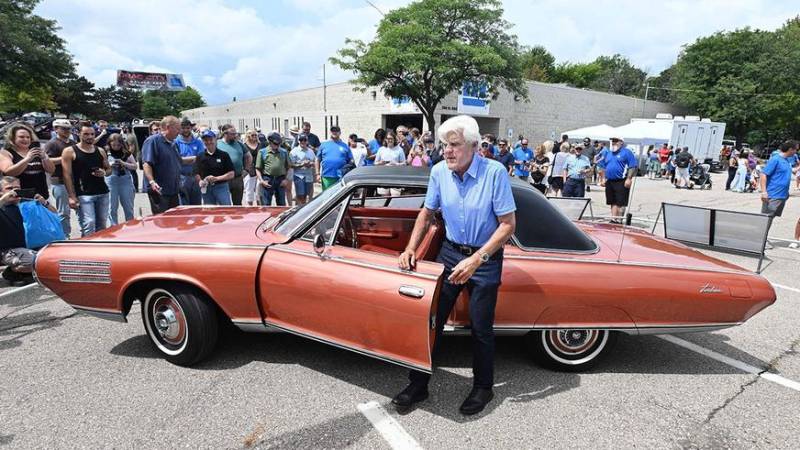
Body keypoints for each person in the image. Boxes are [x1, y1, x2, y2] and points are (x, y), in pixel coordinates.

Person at [394, 115, 516, 416]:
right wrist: (410, 248)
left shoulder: (494, 172)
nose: (447, 150)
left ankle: (483, 388)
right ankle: (418, 385)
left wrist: (477, 260)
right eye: (444, 145)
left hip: (484, 258)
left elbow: (507, 225)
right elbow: (426, 212)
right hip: (450, 254)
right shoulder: (438, 171)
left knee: (481, 327)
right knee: (429, 320)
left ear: (474, 146)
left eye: (454, 145)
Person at [0, 176, 57, 284]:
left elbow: (54, 214)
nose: (14, 191)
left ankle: (23, 272)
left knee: (51, 258)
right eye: (9, 188)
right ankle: (13, 272)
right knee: (38, 262)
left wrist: (44, 203)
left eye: (17, 188)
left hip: (30, 245)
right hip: (8, 250)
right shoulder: (2, 207)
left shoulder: (25, 204)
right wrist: (4, 199)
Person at [61, 123, 111, 236]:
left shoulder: (100, 150)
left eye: (92, 134)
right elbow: (67, 175)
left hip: (102, 192)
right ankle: (86, 250)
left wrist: (104, 172)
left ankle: (99, 250)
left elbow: (109, 170)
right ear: (78, 134)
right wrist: (71, 196)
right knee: (89, 223)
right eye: (86, 134)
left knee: (102, 224)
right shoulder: (69, 151)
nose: (90, 137)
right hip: (83, 193)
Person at [0, 123, 55, 200]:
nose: (25, 139)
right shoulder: (6, 152)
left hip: (41, 195)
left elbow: (51, 170)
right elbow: (8, 172)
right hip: (18, 198)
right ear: (13, 138)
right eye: (21, 137)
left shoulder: (36, 150)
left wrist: (45, 158)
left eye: (28, 137)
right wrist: (27, 159)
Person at [761, 141, 799, 249]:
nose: (796, 151)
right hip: (772, 194)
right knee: (766, 218)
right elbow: (764, 174)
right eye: (795, 149)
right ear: (790, 149)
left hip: (782, 195)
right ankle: (761, 241)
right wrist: (764, 192)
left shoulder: (786, 161)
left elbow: (790, 172)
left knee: (771, 218)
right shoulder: (776, 159)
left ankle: (763, 239)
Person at [142, 116, 182, 214]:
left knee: (174, 220)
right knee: (162, 221)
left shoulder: (174, 143)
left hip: (173, 191)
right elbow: (147, 164)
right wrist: (152, 181)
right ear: (168, 127)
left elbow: (177, 162)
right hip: (159, 191)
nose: (179, 131)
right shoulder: (153, 141)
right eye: (177, 128)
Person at [45, 119, 76, 236]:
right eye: (63, 128)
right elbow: (47, 161)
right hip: (59, 181)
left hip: (74, 181)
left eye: (69, 129)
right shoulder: (52, 144)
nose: (67, 131)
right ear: (56, 129)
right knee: (63, 212)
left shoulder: (73, 143)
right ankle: (64, 236)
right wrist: (65, 158)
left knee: (79, 208)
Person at [598, 137, 638, 222]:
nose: (614, 143)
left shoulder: (626, 152)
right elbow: (603, 167)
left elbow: (632, 166)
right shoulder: (608, 153)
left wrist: (629, 178)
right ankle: (613, 219)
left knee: (621, 202)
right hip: (610, 181)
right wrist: (603, 179)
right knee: (612, 201)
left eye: (616, 141)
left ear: (621, 142)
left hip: (621, 180)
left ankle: (619, 220)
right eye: (613, 141)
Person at [194, 130, 235, 205]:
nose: (208, 142)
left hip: (221, 187)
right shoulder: (200, 156)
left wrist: (216, 178)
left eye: (210, 139)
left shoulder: (223, 155)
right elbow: (196, 172)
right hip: (206, 188)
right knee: (210, 211)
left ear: (215, 139)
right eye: (206, 140)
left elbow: (231, 174)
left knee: (226, 210)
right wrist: (200, 181)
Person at [104, 133, 137, 225]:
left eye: (118, 145)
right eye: (113, 145)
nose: (116, 147)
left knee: (128, 207)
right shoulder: (105, 152)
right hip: (111, 180)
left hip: (125, 180)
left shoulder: (126, 153)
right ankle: (113, 227)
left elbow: (135, 166)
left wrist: (124, 163)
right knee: (111, 207)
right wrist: (109, 165)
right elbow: (100, 166)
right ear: (109, 144)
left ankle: (130, 226)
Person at [216, 124, 253, 205]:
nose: (235, 135)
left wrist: (246, 169)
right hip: (223, 179)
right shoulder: (217, 144)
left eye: (235, 133)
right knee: (224, 204)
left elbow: (248, 156)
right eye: (232, 134)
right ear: (225, 134)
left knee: (238, 204)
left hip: (237, 178)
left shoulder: (239, 144)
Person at [174, 117, 204, 206]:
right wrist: (194, 158)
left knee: (197, 205)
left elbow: (201, 159)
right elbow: (177, 160)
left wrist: (185, 160)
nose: (186, 130)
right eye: (183, 128)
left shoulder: (198, 142)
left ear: (191, 128)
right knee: (184, 206)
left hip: (196, 177)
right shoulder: (176, 142)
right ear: (180, 129)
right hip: (182, 178)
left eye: (188, 128)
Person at [256, 132, 290, 206]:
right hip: (268, 179)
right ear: (270, 142)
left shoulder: (284, 152)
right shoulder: (262, 152)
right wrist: (261, 181)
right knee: (266, 203)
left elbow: (288, 167)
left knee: (281, 204)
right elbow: (258, 168)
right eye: (275, 144)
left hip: (280, 179)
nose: (277, 146)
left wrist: (286, 179)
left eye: (279, 144)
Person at [315, 126, 353, 190]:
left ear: (340, 133)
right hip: (327, 176)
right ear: (330, 132)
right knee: (327, 196)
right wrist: (317, 174)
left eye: (336, 131)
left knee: (341, 196)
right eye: (333, 131)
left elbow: (351, 160)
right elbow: (317, 159)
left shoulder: (345, 146)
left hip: (341, 176)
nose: (334, 132)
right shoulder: (323, 145)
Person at [290, 135, 316, 205]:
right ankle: (298, 210)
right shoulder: (294, 151)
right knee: (300, 195)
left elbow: (314, 162)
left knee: (306, 195)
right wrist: (301, 164)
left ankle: (301, 209)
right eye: (301, 140)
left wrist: (310, 164)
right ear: (298, 141)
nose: (303, 142)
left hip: (309, 176)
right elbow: (290, 165)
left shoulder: (311, 151)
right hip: (299, 176)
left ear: (307, 141)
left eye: (305, 140)